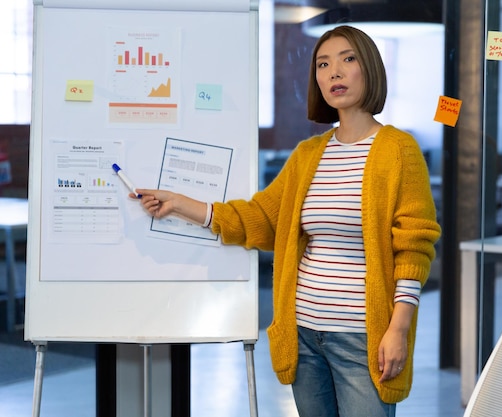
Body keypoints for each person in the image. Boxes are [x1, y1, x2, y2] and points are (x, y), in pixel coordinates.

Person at [134, 25, 441, 417]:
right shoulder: (308, 155)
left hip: (364, 336)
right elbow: (261, 218)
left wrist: (398, 328)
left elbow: (414, 246)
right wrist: (179, 203)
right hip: (304, 335)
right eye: (323, 64)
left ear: (370, 68)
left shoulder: (399, 150)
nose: (334, 73)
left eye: (348, 59)